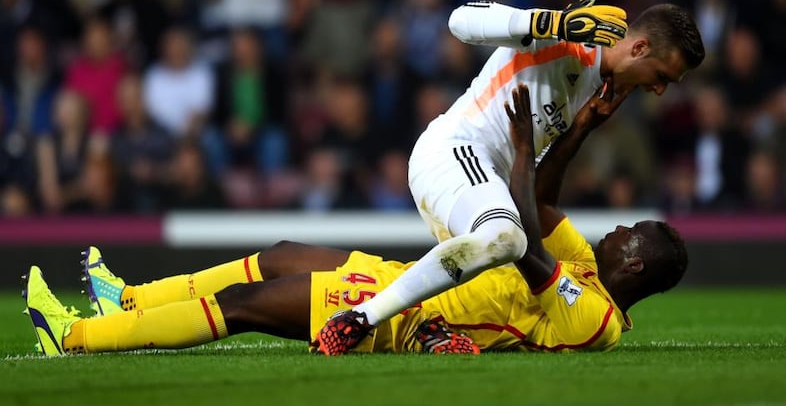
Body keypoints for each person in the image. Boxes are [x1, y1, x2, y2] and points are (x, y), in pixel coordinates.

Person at [23, 85, 688, 356]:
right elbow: (540, 202)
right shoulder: (581, 266)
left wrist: (518, 147)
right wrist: (581, 130)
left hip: (407, 319)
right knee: (282, 252)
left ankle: (76, 337)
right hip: (408, 280)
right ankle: (127, 299)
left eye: (629, 235)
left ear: (634, 264)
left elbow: (520, 235)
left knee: (248, 305)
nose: (614, 232)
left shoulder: (596, 320)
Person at [315, 0, 704, 354]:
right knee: (508, 237)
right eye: (663, 76)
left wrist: (582, 129)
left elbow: (537, 189)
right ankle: (358, 318)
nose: (658, 90)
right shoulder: (566, 40)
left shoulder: (594, 90)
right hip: (454, 152)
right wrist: (551, 22)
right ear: (638, 48)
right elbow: (460, 20)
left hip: (485, 184)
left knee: (507, 284)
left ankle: (435, 333)